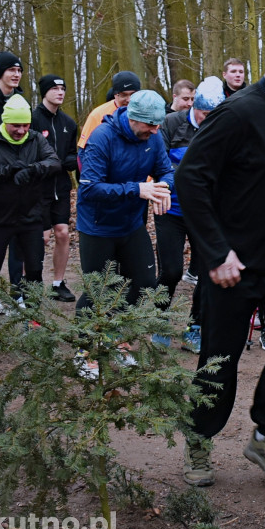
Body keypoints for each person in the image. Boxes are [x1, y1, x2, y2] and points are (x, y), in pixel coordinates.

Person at [175, 25, 265, 488]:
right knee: (220, 356)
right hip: (232, 263)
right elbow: (191, 180)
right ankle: (199, 438)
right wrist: (215, 253)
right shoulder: (236, 113)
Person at [74, 89, 173, 373]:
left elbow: (166, 171)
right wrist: (137, 189)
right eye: (150, 125)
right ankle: (84, 351)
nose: (155, 130)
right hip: (97, 225)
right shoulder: (102, 138)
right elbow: (90, 187)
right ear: (133, 118)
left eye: (158, 124)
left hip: (131, 223)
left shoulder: (153, 138)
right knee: (98, 289)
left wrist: (165, 187)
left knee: (143, 283)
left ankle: (115, 339)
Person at [0, 95, 60, 318]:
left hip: (31, 217)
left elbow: (54, 162)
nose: (21, 130)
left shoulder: (36, 139)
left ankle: (35, 321)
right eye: (15, 125)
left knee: (35, 271)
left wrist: (32, 169)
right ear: (4, 122)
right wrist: (3, 171)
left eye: (25, 125)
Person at [157, 76, 224, 354]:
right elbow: (158, 162)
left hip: (205, 213)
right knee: (171, 270)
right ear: (194, 106)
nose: (208, 119)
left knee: (206, 274)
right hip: (171, 209)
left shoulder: (222, 127)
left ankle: (194, 328)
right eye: (204, 114)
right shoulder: (172, 123)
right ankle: (158, 321)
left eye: (213, 115)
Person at [27, 74, 79, 303]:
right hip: (38, 189)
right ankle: (29, 283)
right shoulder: (32, 119)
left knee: (63, 233)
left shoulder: (69, 123)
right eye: (55, 88)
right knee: (42, 237)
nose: (60, 92)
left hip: (62, 186)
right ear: (45, 91)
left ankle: (58, 284)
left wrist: (68, 162)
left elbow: (73, 154)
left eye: (63, 88)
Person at [77, 71, 141, 149]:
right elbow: (84, 149)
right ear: (115, 94)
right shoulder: (97, 115)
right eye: (123, 95)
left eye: (133, 94)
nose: (129, 100)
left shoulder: (148, 112)